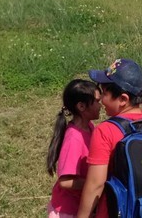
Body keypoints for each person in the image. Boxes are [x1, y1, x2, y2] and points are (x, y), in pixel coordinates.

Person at [76, 58, 142, 218]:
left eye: (104, 93)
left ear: (123, 99)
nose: (101, 100)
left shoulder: (105, 131)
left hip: (118, 210)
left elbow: (95, 184)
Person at [46, 79, 101, 218]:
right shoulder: (74, 139)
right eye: (96, 101)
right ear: (81, 107)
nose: (100, 105)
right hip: (68, 211)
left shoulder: (89, 127)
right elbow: (65, 182)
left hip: (80, 206)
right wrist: (95, 183)